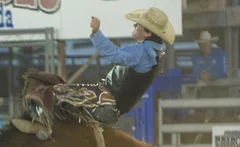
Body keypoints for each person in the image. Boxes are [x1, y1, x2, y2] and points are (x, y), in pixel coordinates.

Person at [14, 7, 175, 139]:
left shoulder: (140, 52)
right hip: (109, 106)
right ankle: (43, 126)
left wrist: (97, 32)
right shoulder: (155, 54)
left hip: (103, 102)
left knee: (55, 91)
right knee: (59, 90)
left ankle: (39, 126)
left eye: (137, 25)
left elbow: (114, 54)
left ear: (147, 34)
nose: (134, 26)